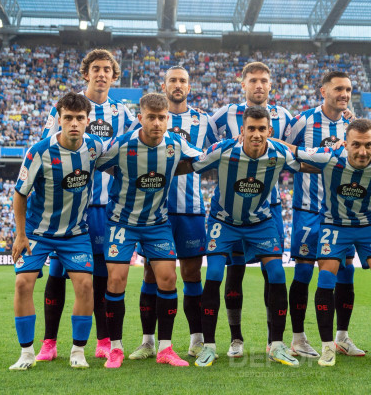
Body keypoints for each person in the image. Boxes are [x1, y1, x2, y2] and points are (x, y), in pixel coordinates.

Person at [36, 49, 138, 362]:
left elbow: (133, 148)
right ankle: (49, 343)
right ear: (86, 73)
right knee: (57, 273)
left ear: (114, 75)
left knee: (101, 276)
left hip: (107, 205)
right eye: (96, 68)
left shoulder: (123, 113)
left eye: (108, 69)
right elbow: (46, 149)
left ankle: (104, 340)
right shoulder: (67, 106)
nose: (102, 74)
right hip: (68, 206)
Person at [286, 118, 371, 367]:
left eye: (368, 145)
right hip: (335, 224)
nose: (362, 152)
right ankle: (327, 348)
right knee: (326, 277)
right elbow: (291, 149)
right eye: (356, 145)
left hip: (369, 225)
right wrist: (257, 138)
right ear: (345, 143)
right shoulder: (329, 157)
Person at [97, 93, 201, 369]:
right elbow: (95, 162)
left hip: (157, 223)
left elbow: (202, 160)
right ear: (140, 118)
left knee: (168, 278)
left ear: (168, 118)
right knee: (116, 280)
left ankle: (165, 349)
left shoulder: (176, 143)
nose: (157, 123)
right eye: (151, 117)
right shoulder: (122, 144)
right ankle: (115, 348)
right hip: (122, 222)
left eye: (162, 117)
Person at [192, 106, 302, 368]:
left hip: (260, 222)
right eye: (250, 128)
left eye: (261, 129)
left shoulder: (280, 153)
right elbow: (194, 164)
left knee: (276, 274)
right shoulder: (224, 149)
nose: (256, 134)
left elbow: (309, 163)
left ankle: (276, 344)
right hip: (224, 220)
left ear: (270, 131)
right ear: (241, 130)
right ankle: (208, 346)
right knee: (216, 274)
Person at [128, 66, 217, 361]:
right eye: (172, 81)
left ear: (189, 87)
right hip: (155, 212)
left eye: (182, 81)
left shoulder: (204, 120)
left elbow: (211, 156)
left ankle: (196, 339)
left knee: (191, 273)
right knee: (152, 274)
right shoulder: (145, 119)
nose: (177, 85)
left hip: (191, 210)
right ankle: (148, 341)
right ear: (163, 86)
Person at [9, 92, 103, 370]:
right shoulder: (39, 151)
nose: (74, 123)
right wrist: (20, 234)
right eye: (68, 118)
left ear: (88, 121)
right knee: (23, 283)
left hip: (75, 233)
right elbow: (19, 193)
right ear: (59, 120)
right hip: (38, 233)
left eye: (79, 118)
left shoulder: (96, 147)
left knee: (86, 286)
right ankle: (26, 353)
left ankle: (78, 351)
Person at [208, 62, 292, 357]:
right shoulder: (222, 115)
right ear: (242, 83)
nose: (259, 85)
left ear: (271, 85)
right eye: (253, 80)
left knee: (274, 273)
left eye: (264, 81)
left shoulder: (285, 116)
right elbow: (207, 150)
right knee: (234, 269)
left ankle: (274, 341)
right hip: (231, 210)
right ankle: (235, 339)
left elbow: (290, 155)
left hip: (269, 208)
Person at [285, 71, 365, 358]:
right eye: (339, 89)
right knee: (305, 270)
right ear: (323, 91)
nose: (344, 94)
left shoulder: (352, 125)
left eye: (349, 89)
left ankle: (342, 337)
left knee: (346, 270)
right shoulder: (303, 121)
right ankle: (298, 338)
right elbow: (284, 153)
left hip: (340, 213)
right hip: (308, 208)